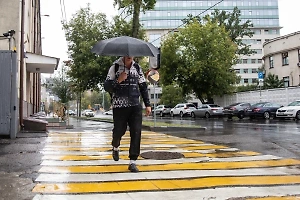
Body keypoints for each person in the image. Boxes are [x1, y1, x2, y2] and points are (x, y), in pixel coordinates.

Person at [104, 56, 151, 172]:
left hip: (135, 105)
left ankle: (133, 161)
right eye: (127, 53)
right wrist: (118, 80)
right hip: (119, 105)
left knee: (136, 131)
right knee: (119, 130)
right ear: (123, 54)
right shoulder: (114, 67)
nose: (130, 55)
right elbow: (107, 87)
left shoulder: (137, 68)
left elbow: (143, 87)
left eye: (132, 53)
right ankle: (115, 145)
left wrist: (147, 104)